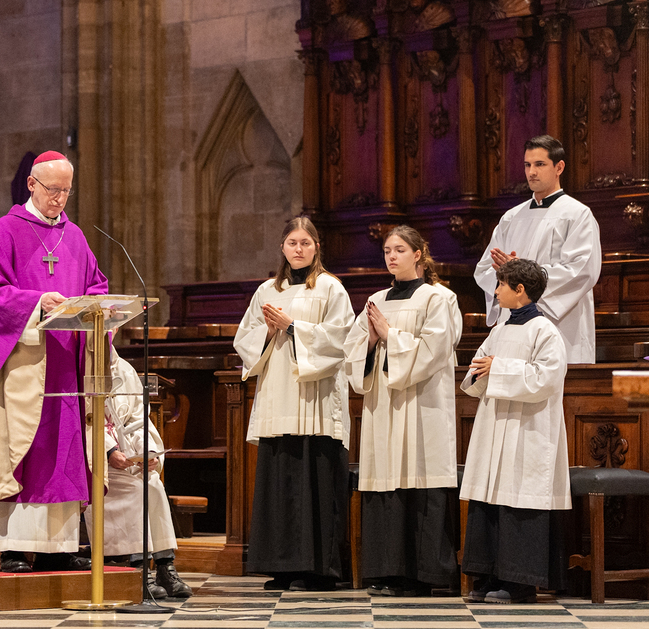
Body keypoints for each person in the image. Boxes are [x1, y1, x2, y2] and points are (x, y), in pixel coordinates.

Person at [0, 150, 108, 573]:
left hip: (66, 365)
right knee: (20, 448)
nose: (59, 198)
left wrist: (96, 306)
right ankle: (14, 546)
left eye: (66, 191)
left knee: (63, 451)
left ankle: (61, 545)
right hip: (22, 362)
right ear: (31, 185)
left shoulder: (75, 237)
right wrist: (37, 302)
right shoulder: (5, 231)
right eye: (53, 189)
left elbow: (96, 285)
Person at [234, 217, 355, 592]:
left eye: (305, 242)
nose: (298, 249)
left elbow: (341, 340)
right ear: (282, 248)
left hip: (315, 398)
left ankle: (317, 569)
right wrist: (269, 331)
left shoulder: (331, 288)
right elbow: (244, 339)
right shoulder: (268, 290)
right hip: (278, 395)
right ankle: (281, 566)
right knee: (279, 481)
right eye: (292, 242)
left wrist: (292, 327)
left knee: (313, 481)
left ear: (317, 246)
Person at [344, 225, 460, 596]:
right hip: (383, 405)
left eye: (399, 250)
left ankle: (424, 575)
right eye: (387, 251)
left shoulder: (438, 298)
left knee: (420, 477)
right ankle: (387, 572)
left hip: (422, 404)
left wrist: (390, 336)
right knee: (385, 479)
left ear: (418, 254)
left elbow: (436, 350)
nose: (392, 257)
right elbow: (352, 350)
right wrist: (371, 340)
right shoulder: (376, 299)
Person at [460, 258, 570, 604]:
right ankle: (488, 576)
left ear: (520, 290)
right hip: (495, 426)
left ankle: (520, 583)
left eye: (501, 285)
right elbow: (477, 370)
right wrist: (483, 371)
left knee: (520, 500)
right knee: (491, 499)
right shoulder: (499, 330)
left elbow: (545, 379)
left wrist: (499, 368)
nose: (495, 291)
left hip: (528, 430)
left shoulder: (545, 331)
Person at [474, 135, 602, 364]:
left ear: (559, 167)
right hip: (513, 323)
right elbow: (484, 268)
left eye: (540, 164)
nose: (531, 172)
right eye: (527, 165)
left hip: (560, 322)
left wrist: (522, 273)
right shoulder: (511, 217)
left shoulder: (577, 214)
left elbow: (582, 271)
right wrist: (504, 274)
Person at [83, 352, 192, 599]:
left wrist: (147, 452)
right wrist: (108, 451)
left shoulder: (124, 369)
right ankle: (139, 569)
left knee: (153, 484)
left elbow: (139, 420)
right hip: (93, 458)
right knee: (136, 489)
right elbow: (82, 421)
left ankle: (165, 565)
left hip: (127, 453)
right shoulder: (80, 366)